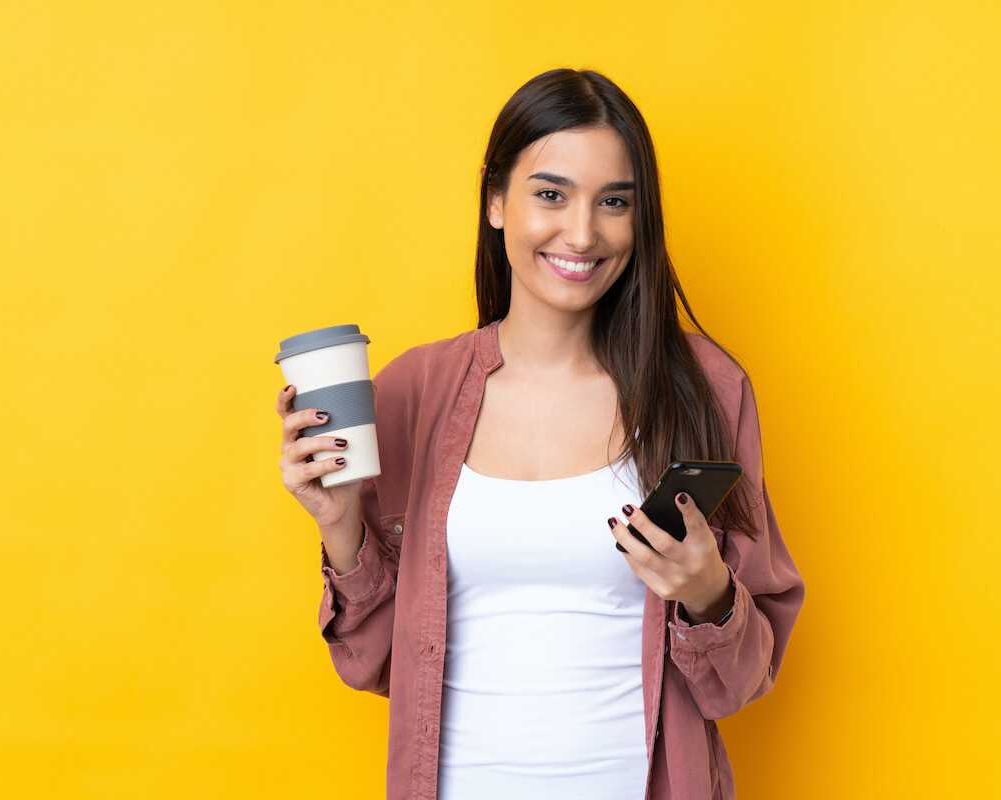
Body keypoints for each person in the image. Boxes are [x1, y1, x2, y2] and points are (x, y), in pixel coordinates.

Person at [276, 68, 804, 800]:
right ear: (495, 199)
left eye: (614, 202)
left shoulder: (705, 390)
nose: (582, 233)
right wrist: (340, 530)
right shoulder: (411, 395)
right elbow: (377, 663)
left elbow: (741, 682)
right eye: (550, 194)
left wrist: (709, 592)